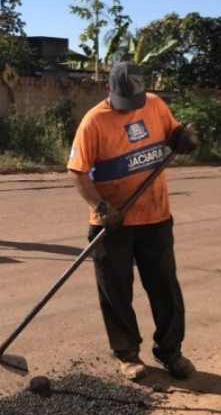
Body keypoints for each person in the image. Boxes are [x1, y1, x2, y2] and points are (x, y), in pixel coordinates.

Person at [67, 61, 199, 381]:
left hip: (155, 217)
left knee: (165, 287)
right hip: (112, 222)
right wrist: (101, 207)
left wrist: (184, 136)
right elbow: (77, 170)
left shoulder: (154, 105)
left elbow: (173, 133)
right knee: (116, 292)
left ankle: (171, 352)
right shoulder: (94, 122)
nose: (131, 109)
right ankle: (127, 355)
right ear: (107, 90)